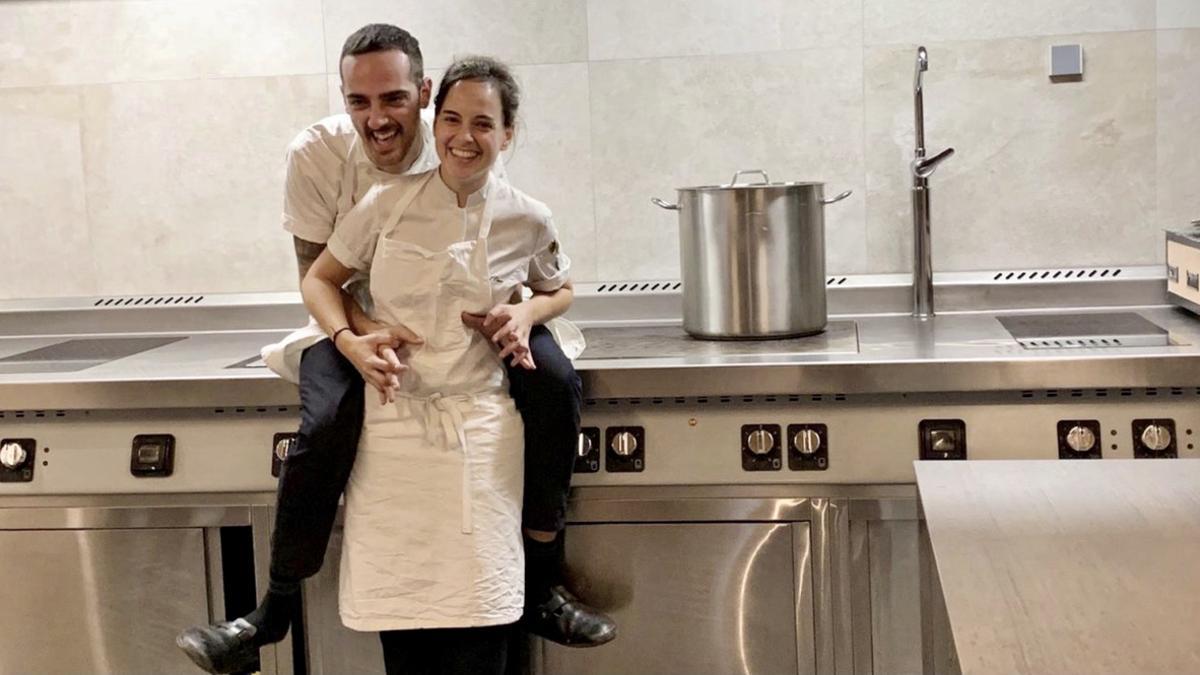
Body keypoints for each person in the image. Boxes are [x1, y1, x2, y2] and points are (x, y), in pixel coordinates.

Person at [176, 24, 613, 675]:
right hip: (350, 318)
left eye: (394, 100)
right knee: (327, 423)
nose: (378, 118)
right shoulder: (325, 159)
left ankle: (543, 577)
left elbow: (536, 266)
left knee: (553, 381)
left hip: (476, 332)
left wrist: (521, 313)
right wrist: (358, 340)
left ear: (423, 94)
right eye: (360, 102)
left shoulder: (482, 159)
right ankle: (273, 607)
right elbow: (316, 277)